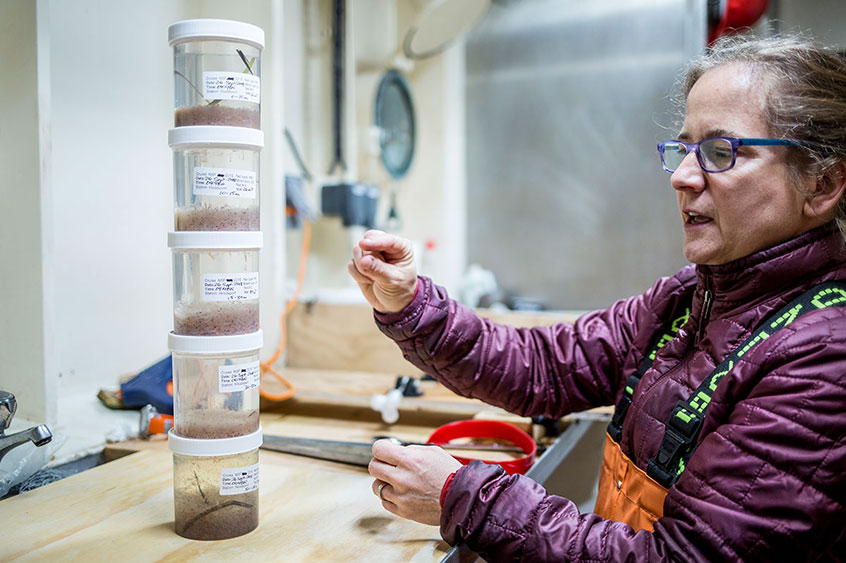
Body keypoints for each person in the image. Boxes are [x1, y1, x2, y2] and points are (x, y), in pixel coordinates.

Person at [347, 33, 846, 561]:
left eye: (720, 152)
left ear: (822, 184)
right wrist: (411, 303)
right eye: (684, 149)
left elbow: (682, 558)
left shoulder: (823, 360)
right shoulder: (690, 298)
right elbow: (542, 368)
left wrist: (466, 500)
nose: (681, 177)